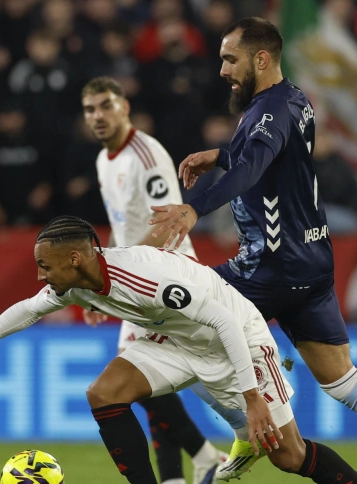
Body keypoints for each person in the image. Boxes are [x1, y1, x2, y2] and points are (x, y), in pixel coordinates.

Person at [147, 17, 357, 484]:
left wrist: (195, 207)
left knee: (169, 332)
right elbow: (268, 155)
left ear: (261, 59)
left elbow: (254, 165)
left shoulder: (267, 112)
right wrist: (219, 154)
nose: (221, 70)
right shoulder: (293, 100)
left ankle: (248, 424)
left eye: (229, 59)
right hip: (311, 262)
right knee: (343, 379)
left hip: (270, 265)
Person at [0, 216, 357, 484]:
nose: (39, 276)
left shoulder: (147, 278)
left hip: (236, 342)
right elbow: (29, 309)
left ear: (74, 258)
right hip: (177, 340)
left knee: (287, 456)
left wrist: (252, 401)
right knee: (103, 392)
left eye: (44, 266)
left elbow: (226, 321)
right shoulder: (77, 283)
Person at [81, 76, 246, 484]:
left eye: (105, 105)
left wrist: (110, 274)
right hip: (133, 283)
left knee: (131, 385)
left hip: (165, 280)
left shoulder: (146, 153)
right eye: (89, 110)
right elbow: (123, 229)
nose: (97, 116)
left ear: (124, 107)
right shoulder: (105, 160)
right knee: (151, 387)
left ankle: (219, 448)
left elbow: (167, 225)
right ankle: (181, 473)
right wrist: (105, 277)